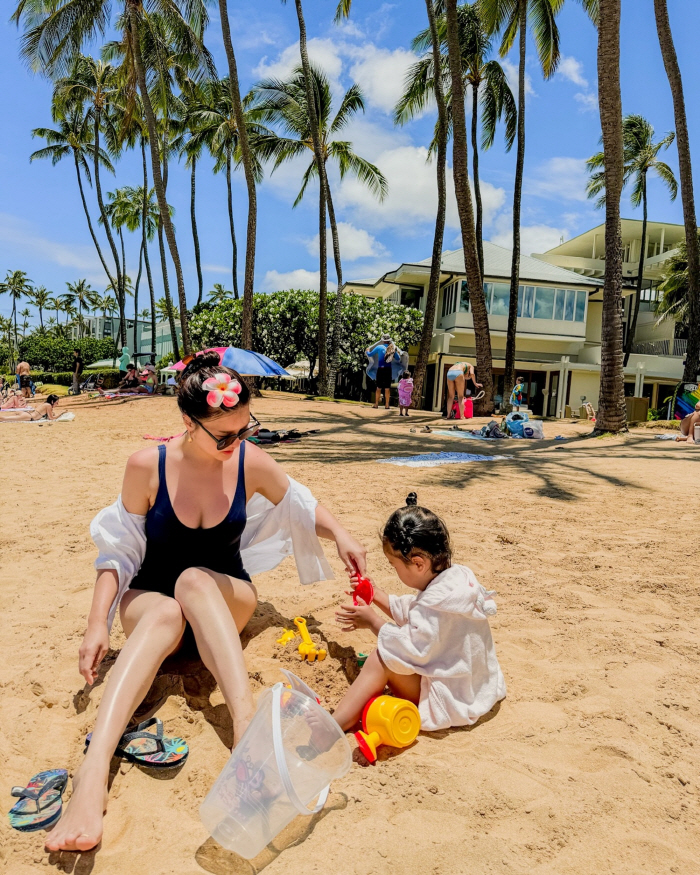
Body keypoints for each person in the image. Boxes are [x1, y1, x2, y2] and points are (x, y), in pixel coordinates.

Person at [44, 352, 366, 852]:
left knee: (194, 580)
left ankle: (245, 731)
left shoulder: (248, 459)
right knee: (171, 604)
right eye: (225, 434)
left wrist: (342, 534)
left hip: (221, 596)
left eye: (245, 428)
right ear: (189, 422)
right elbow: (118, 552)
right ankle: (93, 773)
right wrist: (95, 625)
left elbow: (301, 504)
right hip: (154, 603)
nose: (236, 442)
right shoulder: (145, 466)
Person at [332, 492, 506, 736]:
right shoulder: (454, 584)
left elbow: (412, 648)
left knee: (383, 658)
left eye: (395, 566)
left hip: (450, 700)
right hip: (474, 687)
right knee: (389, 651)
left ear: (418, 563)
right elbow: (416, 612)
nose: (395, 572)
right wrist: (374, 594)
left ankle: (335, 725)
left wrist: (373, 622)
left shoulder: (435, 605)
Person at [366, 335, 406, 410]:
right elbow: (398, 359)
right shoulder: (392, 348)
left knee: (378, 387)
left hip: (380, 369)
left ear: (383, 340)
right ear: (389, 340)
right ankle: (387, 405)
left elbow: (370, 354)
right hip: (388, 370)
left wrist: (367, 350)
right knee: (387, 388)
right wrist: (395, 352)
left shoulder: (379, 347)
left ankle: (376, 404)